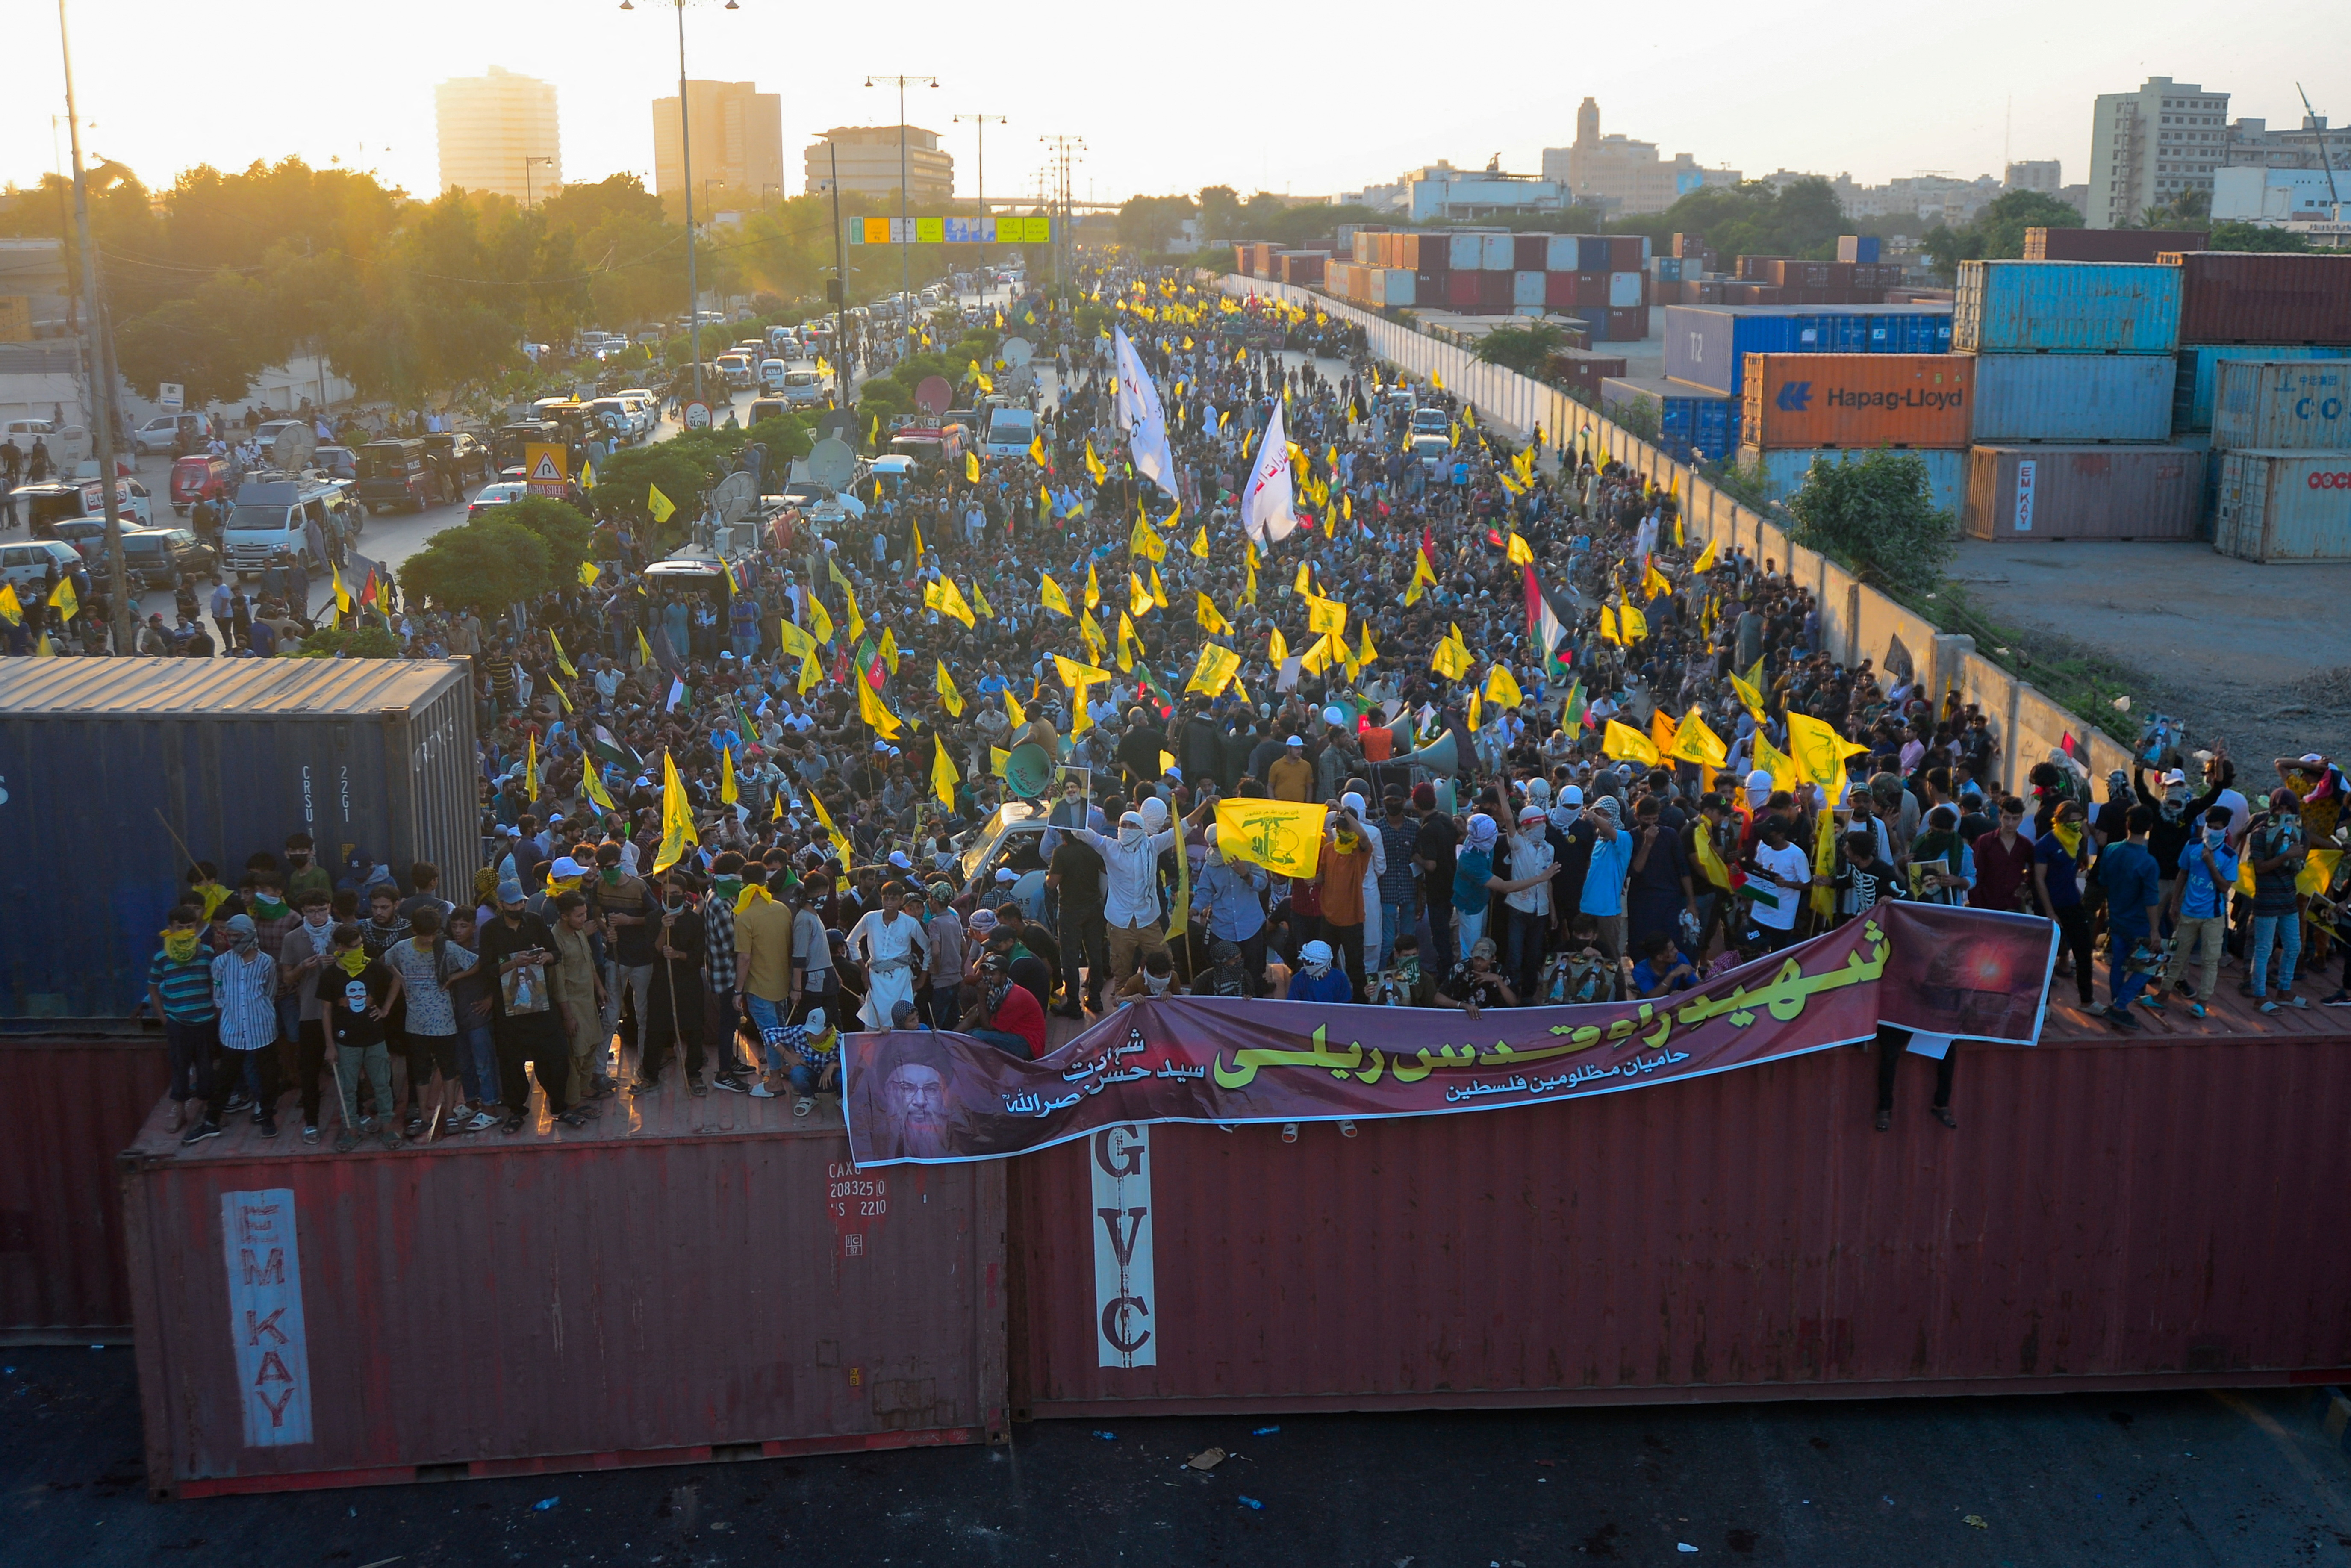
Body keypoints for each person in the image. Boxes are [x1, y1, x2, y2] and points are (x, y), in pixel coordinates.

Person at [383, 905, 478, 1140]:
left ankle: (449, 1115)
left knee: (448, 1070)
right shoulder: (402, 948)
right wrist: (401, 978)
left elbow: (477, 963)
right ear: (414, 930)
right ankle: (424, 1117)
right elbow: (384, 961)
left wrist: (454, 977)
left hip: (444, 1021)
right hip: (415, 1023)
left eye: (432, 935)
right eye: (425, 935)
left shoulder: (447, 948)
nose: (428, 940)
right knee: (421, 1071)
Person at [316, 922, 401, 1153]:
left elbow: (396, 981)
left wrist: (385, 1009)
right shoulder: (331, 975)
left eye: (361, 945)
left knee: (383, 1085)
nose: (360, 950)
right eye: (355, 947)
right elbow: (325, 1011)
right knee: (348, 1089)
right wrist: (330, 1046)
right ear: (341, 948)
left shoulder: (372, 967)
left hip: (375, 1038)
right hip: (346, 1042)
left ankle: (387, 1127)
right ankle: (351, 1130)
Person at [203, 914, 282, 1142]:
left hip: (262, 1029)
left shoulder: (266, 962)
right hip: (233, 1031)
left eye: (239, 936)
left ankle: (267, 1117)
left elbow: (270, 992)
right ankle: (211, 1120)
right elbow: (219, 996)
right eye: (231, 936)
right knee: (225, 1078)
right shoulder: (221, 963)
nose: (234, 940)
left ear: (250, 935)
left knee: (268, 1077)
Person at [2154, 807, 2235, 1018]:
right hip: (2188, 912)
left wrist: (2211, 864)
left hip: (2213, 917)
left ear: (2225, 830)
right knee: (2177, 955)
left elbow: (2225, 887)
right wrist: (2175, 903)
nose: (2213, 831)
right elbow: (2183, 873)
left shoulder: (2229, 855)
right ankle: (2163, 995)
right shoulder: (2192, 846)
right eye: (2210, 826)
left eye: (2218, 828)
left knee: (2210, 960)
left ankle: (2202, 1002)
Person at [149, 905, 217, 1136]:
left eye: (190, 927)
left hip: (205, 1019)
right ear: (171, 928)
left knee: (207, 1068)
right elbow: (153, 986)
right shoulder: (162, 956)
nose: (186, 931)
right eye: (181, 928)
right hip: (177, 1021)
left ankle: (210, 1113)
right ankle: (180, 1113)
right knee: (180, 1068)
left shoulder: (206, 952)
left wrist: (216, 1008)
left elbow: (215, 982)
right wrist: (162, 1016)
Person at [2095, 806, 2162, 1031]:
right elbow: (2151, 900)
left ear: (2127, 825)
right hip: (2139, 923)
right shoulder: (2149, 862)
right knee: (2149, 965)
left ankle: (2116, 1002)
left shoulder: (2112, 850)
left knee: (2119, 963)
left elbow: (2103, 879)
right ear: (2150, 828)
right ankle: (2121, 1005)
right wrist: (2155, 931)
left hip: (2117, 918)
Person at [642, 868, 709, 1093]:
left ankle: (694, 1073)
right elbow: (652, 952)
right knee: (656, 1029)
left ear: (685, 894)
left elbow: (699, 955)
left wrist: (679, 955)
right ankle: (650, 1074)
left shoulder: (695, 921)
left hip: (689, 982)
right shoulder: (653, 919)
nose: (671, 897)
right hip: (662, 981)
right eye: (667, 892)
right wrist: (664, 929)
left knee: (694, 1029)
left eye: (676, 892)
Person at [2242, 788, 2309, 1013]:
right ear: (2272, 810)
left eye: (2288, 809)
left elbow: (2298, 867)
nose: (2283, 813)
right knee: (2263, 950)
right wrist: (2285, 856)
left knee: (2294, 947)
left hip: (2288, 898)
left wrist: (2298, 858)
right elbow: (2260, 868)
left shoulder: (2300, 834)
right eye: (2279, 809)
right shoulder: (2261, 834)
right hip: (2267, 900)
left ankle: (2284, 990)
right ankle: (2259, 996)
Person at [2033, 800, 2096, 1010]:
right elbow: (2040, 879)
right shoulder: (2046, 844)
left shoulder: (2076, 840)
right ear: (2060, 821)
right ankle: (2044, 1005)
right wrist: (2050, 912)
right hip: (2050, 906)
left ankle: (2087, 1001)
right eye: (2072, 822)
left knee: (2084, 950)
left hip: (2072, 902)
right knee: (2045, 958)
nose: (2076, 825)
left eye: (2080, 821)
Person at [847, 879, 929, 1030]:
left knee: (903, 1023)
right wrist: (864, 971)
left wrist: (922, 979)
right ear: (881, 898)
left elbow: (927, 948)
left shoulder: (910, 923)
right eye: (886, 898)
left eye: (894, 899)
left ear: (901, 901)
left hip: (901, 979)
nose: (889, 902)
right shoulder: (870, 918)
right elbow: (851, 942)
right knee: (873, 1023)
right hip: (876, 978)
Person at [960, 952, 1046, 1058]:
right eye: (986, 974)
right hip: (1013, 1035)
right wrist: (949, 1035)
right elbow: (974, 1014)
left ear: (1004, 976)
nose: (987, 978)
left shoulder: (1013, 996)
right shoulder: (997, 991)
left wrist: (981, 997)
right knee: (969, 1034)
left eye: (992, 974)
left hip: (1028, 1045)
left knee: (976, 1036)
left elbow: (988, 1027)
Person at [1742, 816, 1810, 952]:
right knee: (1753, 950)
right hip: (1759, 913)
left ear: (1781, 835)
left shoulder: (1797, 855)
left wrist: (1787, 884)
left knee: (1778, 955)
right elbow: (1760, 868)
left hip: (1782, 918)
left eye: (1770, 833)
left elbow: (1808, 884)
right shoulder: (1763, 846)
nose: (1765, 836)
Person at [1436, 936, 1515, 1018]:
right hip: (1462, 1017)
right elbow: (1438, 998)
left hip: (1491, 1018)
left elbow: (1514, 1003)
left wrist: (1498, 980)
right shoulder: (1460, 969)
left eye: (1483, 959)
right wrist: (1463, 1005)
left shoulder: (1499, 971)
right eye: (1476, 958)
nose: (1479, 963)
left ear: (1493, 959)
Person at [1285, 938, 1353, 1004]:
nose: (1308, 966)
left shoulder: (1340, 979)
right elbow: (1293, 1007)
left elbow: (1345, 1008)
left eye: (1313, 964)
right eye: (1306, 962)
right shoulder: (1298, 980)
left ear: (1325, 963)